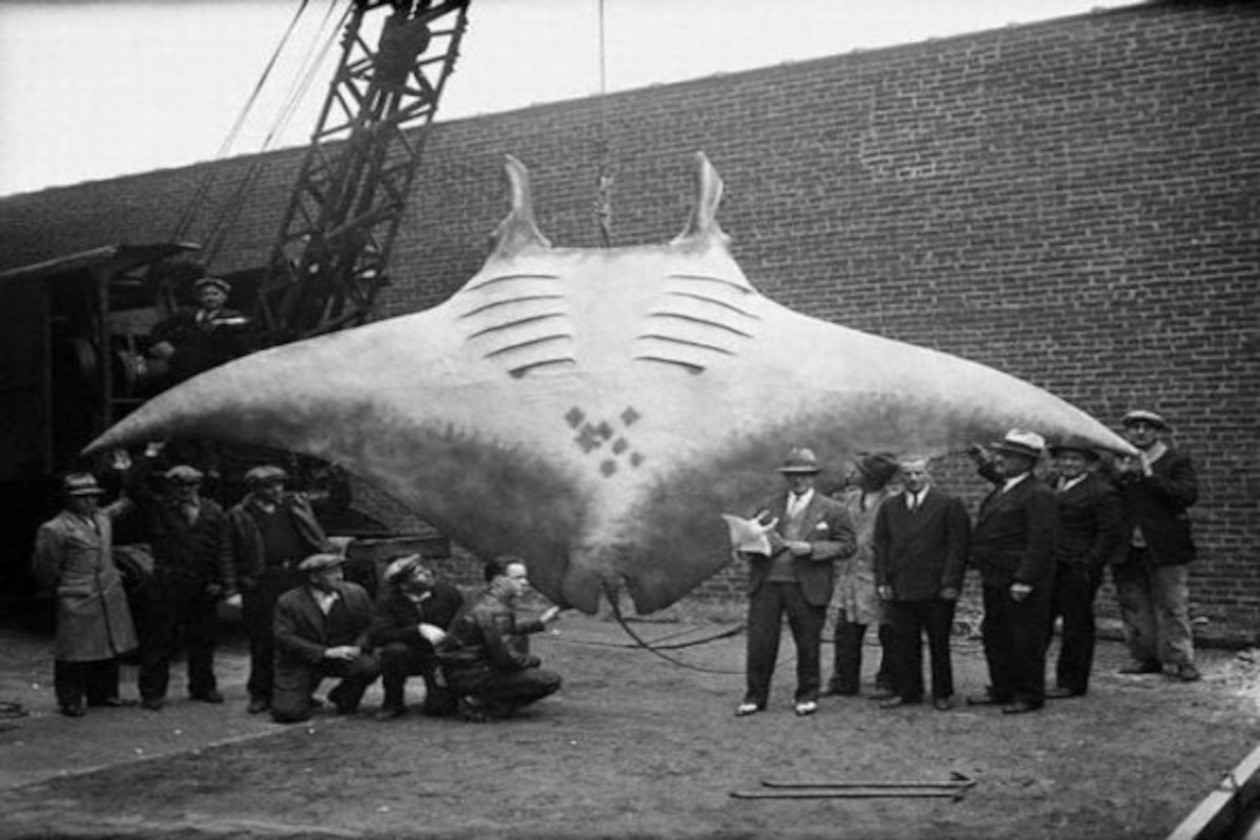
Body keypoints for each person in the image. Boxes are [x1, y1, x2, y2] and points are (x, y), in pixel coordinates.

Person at [735, 447, 857, 718]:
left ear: (813, 477)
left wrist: (812, 549)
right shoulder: (769, 506)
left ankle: (806, 695)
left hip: (807, 584)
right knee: (760, 642)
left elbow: (847, 545)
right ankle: (755, 696)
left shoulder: (833, 509)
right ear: (786, 477)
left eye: (804, 475)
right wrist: (750, 544)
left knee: (808, 642)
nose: (798, 481)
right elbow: (749, 541)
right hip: (767, 583)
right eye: (792, 475)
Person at [129, 446, 237, 711]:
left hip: (203, 583)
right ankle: (153, 693)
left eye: (191, 484)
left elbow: (223, 550)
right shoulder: (159, 507)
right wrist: (151, 454)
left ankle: (203, 687)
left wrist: (225, 585)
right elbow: (132, 484)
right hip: (168, 581)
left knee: (203, 639)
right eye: (178, 484)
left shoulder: (213, 511)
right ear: (169, 487)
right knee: (159, 640)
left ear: (199, 485)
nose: (185, 489)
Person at [966, 429, 1058, 715]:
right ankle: (1002, 687)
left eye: (1007, 455)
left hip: (1018, 580)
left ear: (1025, 461)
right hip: (995, 576)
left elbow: (1042, 540)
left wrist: (1025, 578)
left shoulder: (1038, 493)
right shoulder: (1005, 487)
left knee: (1026, 638)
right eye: (1001, 453)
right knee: (997, 634)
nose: (1000, 459)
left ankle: (1028, 694)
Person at [32, 472, 139, 717]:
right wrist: (59, 588)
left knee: (108, 647)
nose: (89, 501)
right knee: (74, 652)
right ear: (67, 499)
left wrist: (136, 465)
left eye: (93, 496)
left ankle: (104, 694)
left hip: (108, 592)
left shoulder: (101, 519)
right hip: (77, 594)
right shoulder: (55, 528)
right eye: (82, 497)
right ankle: (70, 699)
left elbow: (124, 503)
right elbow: (45, 566)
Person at [228, 465, 331, 714]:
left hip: (294, 577)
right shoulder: (240, 514)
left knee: (300, 636)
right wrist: (232, 588)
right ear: (255, 490)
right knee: (263, 639)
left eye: (279, 484)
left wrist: (335, 475)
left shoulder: (294, 505)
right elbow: (227, 552)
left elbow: (335, 500)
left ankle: (299, 690)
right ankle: (260, 693)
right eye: (269, 486)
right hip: (261, 582)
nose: (277, 490)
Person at [873, 455, 971, 711]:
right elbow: (881, 545)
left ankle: (943, 692)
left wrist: (951, 583)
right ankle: (908, 691)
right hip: (901, 586)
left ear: (928, 474)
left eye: (918, 473)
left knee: (939, 643)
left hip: (937, 588)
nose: (913, 479)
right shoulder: (890, 507)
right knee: (904, 642)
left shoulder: (948, 504)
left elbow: (957, 547)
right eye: (907, 474)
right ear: (900, 477)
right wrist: (883, 579)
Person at [1110, 410, 1201, 682]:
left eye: (1146, 428)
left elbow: (1186, 495)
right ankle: (1143, 657)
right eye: (1134, 427)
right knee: (1134, 604)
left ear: (1158, 432)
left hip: (1165, 546)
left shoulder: (1175, 460)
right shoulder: (1117, 462)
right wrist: (1121, 477)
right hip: (1127, 548)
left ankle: (1181, 659)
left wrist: (1150, 477)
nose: (1140, 432)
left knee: (1173, 604)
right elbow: (1104, 497)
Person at [1044, 438, 1125, 698]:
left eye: (1075, 459)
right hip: (1048, 566)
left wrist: (1089, 566)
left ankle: (1071, 682)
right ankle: (1030, 676)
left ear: (1088, 464)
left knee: (1076, 626)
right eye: (1064, 458)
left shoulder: (1101, 491)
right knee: (1039, 621)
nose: (1068, 463)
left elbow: (1108, 533)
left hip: (1077, 568)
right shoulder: (1050, 485)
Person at [438, 557, 563, 722]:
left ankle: (480, 698)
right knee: (549, 680)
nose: (525, 583)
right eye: (518, 578)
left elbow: (504, 629)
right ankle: (485, 706)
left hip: (459, 669)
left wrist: (540, 622)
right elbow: (506, 658)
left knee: (520, 642)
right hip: (469, 674)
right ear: (498, 581)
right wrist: (533, 661)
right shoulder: (496, 609)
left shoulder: (484, 599)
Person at [271, 553, 381, 723]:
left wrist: (358, 647)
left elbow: (371, 625)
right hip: (303, 660)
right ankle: (302, 693)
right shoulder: (289, 601)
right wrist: (325, 652)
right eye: (332, 572)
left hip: (344, 657)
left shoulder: (355, 593)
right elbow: (284, 637)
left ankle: (343, 695)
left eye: (340, 570)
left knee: (369, 666)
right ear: (314, 577)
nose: (339, 576)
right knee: (288, 713)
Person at [825, 452, 899, 699]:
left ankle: (888, 680)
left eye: (857, 471)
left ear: (870, 477)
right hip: (851, 576)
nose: (851, 474)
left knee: (888, 630)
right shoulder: (851, 499)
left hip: (880, 575)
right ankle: (844, 680)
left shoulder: (893, 503)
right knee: (846, 630)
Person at [369, 555, 465, 720]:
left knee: (440, 709)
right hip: (407, 654)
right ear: (404, 584)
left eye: (426, 569)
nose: (427, 574)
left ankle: (441, 696)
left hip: (438, 656)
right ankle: (393, 703)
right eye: (418, 573)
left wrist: (449, 643)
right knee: (393, 652)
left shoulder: (448, 594)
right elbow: (380, 634)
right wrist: (418, 630)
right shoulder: (388, 601)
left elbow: (462, 624)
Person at [148, 275, 251, 384]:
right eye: (205, 294)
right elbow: (158, 330)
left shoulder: (234, 318)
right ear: (199, 298)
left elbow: (241, 346)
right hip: (184, 367)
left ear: (224, 297)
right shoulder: (187, 315)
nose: (210, 298)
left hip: (218, 369)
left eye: (215, 294)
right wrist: (162, 345)